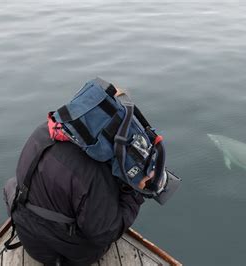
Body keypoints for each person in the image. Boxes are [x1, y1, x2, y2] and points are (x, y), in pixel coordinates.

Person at [11, 90, 153, 266]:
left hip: (26, 233)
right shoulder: (93, 172)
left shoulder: (44, 130)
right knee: (101, 224)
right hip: (57, 254)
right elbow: (105, 233)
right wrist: (135, 193)